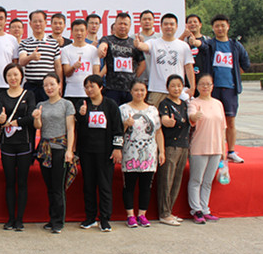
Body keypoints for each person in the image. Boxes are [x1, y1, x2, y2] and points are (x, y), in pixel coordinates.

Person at [195, 14, 251, 163]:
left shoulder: (235, 45)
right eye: (217, 26)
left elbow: (245, 63)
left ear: (228, 27)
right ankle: (213, 150)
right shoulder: (210, 44)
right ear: (213, 28)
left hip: (230, 89)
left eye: (222, 25)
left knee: (230, 121)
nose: (220, 28)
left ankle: (231, 151)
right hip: (212, 90)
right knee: (211, 121)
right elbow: (201, 46)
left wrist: (234, 75)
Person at [75, 75, 123, 232]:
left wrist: (117, 148)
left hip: (105, 152)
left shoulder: (110, 105)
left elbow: (117, 128)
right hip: (87, 151)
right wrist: (81, 115)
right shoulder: (82, 104)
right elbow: (77, 127)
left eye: (92, 86)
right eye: (86, 87)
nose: (89, 90)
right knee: (88, 185)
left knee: (104, 185)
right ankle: (90, 217)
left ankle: (105, 218)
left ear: (101, 87)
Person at [33, 73, 75, 234]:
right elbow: (38, 126)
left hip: (60, 149)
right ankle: (52, 219)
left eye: (52, 84)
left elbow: (70, 129)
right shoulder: (41, 105)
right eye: (46, 85)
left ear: (59, 85)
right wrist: (37, 117)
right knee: (49, 187)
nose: (49, 88)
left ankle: (59, 221)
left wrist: (69, 150)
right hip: (45, 149)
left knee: (58, 187)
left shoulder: (66, 104)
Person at [119, 81, 165, 228]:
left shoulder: (152, 110)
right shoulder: (123, 109)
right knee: (129, 185)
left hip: (149, 153)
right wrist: (126, 124)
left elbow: (158, 132)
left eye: (142, 90)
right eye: (136, 90)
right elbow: (117, 131)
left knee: (146, 186)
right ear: (131, 91)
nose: (139, 93)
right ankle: (130, 215)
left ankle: (142, 215)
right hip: (130, 153)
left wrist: (161, 151)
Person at [0, 63, 35, 231]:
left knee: (22, 182)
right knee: (10, 182)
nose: (13, 78)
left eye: (16, 74)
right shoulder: (1, 96)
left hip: (24, 143)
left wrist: (16, 122)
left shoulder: (29, 94)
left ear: (21, 76)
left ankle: (20, 219)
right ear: (5, 78)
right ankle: (11, 218)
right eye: (9, 75)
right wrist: (1, 119)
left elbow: (31, 117)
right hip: (7, 144)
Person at [187, 74, 227, 224]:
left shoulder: (218, 104)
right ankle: (196, 210)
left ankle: (205, 209)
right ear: (197, 86)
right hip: (199, 147)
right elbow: (191, 117)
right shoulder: (194, 103)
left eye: (208, 84)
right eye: (202, 84)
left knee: (208, 181)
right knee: (196, 180)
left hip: (216, 148)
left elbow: (223, 128)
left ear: (212, 86)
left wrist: (223, 149)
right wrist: (194, 116)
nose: (205, 87)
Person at [134, 13, 195, 107]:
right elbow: (144, 46)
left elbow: (189, 67)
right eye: (166, 24)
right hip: (157, 89)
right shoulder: (153, 42)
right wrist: (138, 44)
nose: (168, 27)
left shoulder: (183, 46)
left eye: (171, 24)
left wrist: (192, 87)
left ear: (176, 26)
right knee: (155, 115)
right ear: (161, 26)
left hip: (177, 90)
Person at [157, 74, 190, 226]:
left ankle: (170, 211)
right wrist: (167, 122)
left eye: (179, 86)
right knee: (166, 180)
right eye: (173, 86)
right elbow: (164, 119)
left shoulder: (184, 104)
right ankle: (164, 213)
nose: (176, 89)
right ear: (167, 87)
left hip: (184, 145)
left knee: (177, 180)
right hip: (170, 145)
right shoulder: (165, 104)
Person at [97, 12, 145, 105]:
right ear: (115, 25)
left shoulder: (133, 43)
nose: (122, 26)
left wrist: (133, 77)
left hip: (130, 89)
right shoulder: (108, 39)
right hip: (112, 88)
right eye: (120, 23)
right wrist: (101, 50)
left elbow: (142, 64)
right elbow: (102, 46)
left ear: (130, 26)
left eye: (125, 24)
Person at [18, 10, 62, 104]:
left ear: (46, 23)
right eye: (35, 21)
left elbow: (58, 66)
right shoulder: (24, 43)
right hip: (31, 85)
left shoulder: (53, 43)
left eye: (40, 21)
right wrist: (31, 57)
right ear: (30, 24)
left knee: (49, 110)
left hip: (49, 86)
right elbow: (21, 61)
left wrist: (60, 84)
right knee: (30, 110)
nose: (38, 24)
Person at [61, 19, 100, 108]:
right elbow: (66, 73)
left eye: (82, 30)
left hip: (89, 93)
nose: (79, 33)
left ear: (86, 32)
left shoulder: (93, 50)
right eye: (76, 30)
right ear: (71, 32)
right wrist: (74, 67)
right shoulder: (66, 50)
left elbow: (96, 74)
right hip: (71, 93)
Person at [135, 10, 158, 87]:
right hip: (139, 80)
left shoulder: (160, 38)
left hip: (157, 80)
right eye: (144, 19)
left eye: (149, 19)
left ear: (154, 21)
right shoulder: (134, 38)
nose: (147, 21)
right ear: (140, 22)